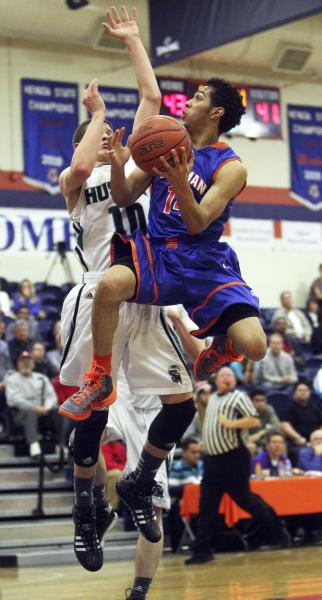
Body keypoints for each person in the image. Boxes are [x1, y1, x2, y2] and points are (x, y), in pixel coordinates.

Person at [60, 74, 268, 544]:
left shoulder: (231, 166)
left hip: (204, 258)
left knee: (253, 346)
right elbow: (127, 194)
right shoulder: (163, 140)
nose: (187, 102)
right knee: (112, 281)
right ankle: (100, 375)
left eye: (197, 98)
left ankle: (217, 350)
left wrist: (179, 180)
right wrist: (118, 163)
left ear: (216, 113)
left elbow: (197, 221)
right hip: (160, 253)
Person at [57, 7, 194, 598]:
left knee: (180, 400)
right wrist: (96, 116)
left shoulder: (135, 165)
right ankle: (87, 504)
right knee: (91, 412)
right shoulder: (74, 180)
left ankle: (138, 484)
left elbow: (152, 96)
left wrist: (136, 41)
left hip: (145, 298)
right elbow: (87, 161)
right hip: (96, 298)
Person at [185, 367, 290, 565]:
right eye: (223, 375)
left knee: (246, 500)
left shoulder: (239, 397)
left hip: (233, 458)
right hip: (212, 460)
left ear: (234, 380)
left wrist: (231, 424)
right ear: (216, 380)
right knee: (206, 506)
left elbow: (253, 420)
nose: (227, 378)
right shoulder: (214, 398)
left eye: (230, 376)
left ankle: (278, 529)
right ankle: (202, 551)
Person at [5, 351, 59, 457]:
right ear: (18, 364)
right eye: (23, 361)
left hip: (43, 411)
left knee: (59, 410)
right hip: (21, 413)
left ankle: (61, 444)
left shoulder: (42, 378)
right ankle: (34, 445)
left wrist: (46, 408)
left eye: (28, 361)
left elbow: (51, 397)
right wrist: (34, 408)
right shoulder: (12, 379)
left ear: (33, 363)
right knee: (29, 411)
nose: (26, 364)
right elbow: (14, 399)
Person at [168, 436, 203, 552]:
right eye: (193, 452)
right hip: (184, 506)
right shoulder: (177, 468)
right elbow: (170, 489)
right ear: (183, 453)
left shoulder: (203, 466)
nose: (197, 455)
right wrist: (190, 489)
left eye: (199, 452)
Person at [281, 382, 322, 464]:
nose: (303, 392)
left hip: (315, 441)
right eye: (300, 390)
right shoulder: (289, 407)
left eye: (305, 390)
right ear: (294, 392)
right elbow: (285, 425)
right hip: (296, 443)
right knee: (302, 452)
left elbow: (320, 425)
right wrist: (298, 438)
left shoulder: (314, 408)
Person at [246, 389, 281, 454]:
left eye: (262, 400)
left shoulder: (268, 409)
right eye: (257, 400)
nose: (260, 403)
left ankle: (282, 463)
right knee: (250, 446)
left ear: (266, 401)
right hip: (248, 440)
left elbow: (276, 426)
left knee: (278, 442)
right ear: (251, 402)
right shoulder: (245, 412)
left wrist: (260, 434)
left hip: (263, 439)